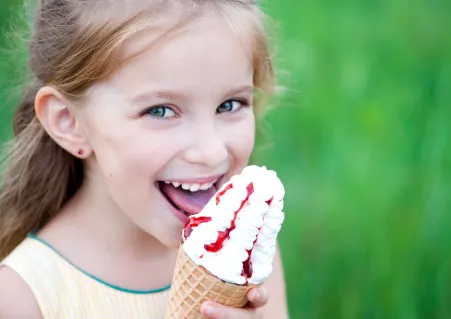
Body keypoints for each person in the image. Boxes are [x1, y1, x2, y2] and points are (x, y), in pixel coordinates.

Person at [0, 0, 288, 318]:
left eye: (230, 105)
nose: (212, 151)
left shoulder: (248, 254)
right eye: (160, 110)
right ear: (69, 121)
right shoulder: (21, 297)